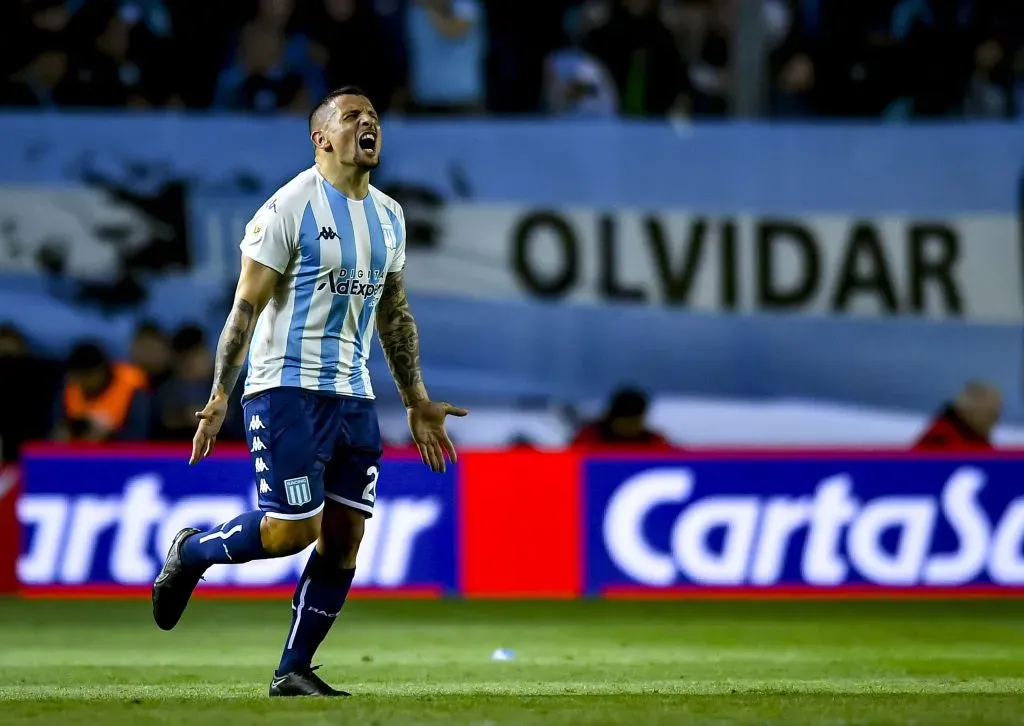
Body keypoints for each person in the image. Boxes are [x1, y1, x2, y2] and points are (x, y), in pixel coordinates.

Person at [151, 86, 468, 697]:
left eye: (374, 117)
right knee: (291, 532)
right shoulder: (287, 209)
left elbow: (394, 313)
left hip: (353, 394)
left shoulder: (389, 215)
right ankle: (192, 552)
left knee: (346, 538)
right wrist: (220, 394)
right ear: (321, 136)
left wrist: (415, 398)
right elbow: (244, 306)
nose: (368, 124)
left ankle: (293, 669)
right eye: (352, 117)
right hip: (285, 387)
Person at [57, 341, 150, 442]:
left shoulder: (132, 390)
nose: (83, 383)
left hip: (118, 453)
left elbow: (140, 437)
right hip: (75, 454)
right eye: (79, 378)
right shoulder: (71, 388)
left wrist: (110, 436)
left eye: (87, 376)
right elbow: (55, 427)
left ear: (100, 370)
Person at [913, 380, 1001, 451]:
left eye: (995, 414)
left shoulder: (984, 449)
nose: (993, 421)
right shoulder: (939, 442)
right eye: (990, 413)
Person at [572, 386, 672, 448]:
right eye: (625, 422)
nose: (629, 427)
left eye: (633, 422)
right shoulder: (589, 438)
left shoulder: (654, 442)